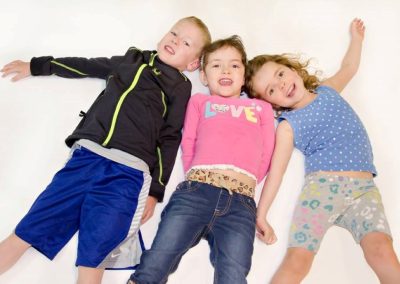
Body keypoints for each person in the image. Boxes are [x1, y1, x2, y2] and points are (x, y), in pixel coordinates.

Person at [0, 16, 211, 284]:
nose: (175, 40)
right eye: (174, 33)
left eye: (186, 42)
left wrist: (156, 191)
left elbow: (170, 138)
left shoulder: (180, 87)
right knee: (26, 232)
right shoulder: (131, 60)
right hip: (85, 159)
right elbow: (86, 66)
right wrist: (38, 66)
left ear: (193, 63)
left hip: (127, 175)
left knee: (93, 259)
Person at [245, 18, 400, 283]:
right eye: (271, 89)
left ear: (291, 68)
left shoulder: (327, 91)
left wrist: (357, 40)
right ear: (271, 104)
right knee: (298, 260)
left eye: (280, 74)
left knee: (382, 250)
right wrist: (261, 214)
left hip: (364, 191)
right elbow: (277, 172)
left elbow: (349, 67)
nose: (281, 85)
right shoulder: (287, 126)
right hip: (323, 189)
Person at [127, 35, 275, 284]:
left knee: (235, 272)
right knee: (158, 259)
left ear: (243, 75)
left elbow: (266, 152)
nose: (226, 70)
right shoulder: (200, 102)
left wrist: (247, 181)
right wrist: (198, 175)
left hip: (241, 204)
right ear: (204, 77)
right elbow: (189, 142)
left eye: (234, 65)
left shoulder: (261, 109)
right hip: (196, 192)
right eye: (216, 65)